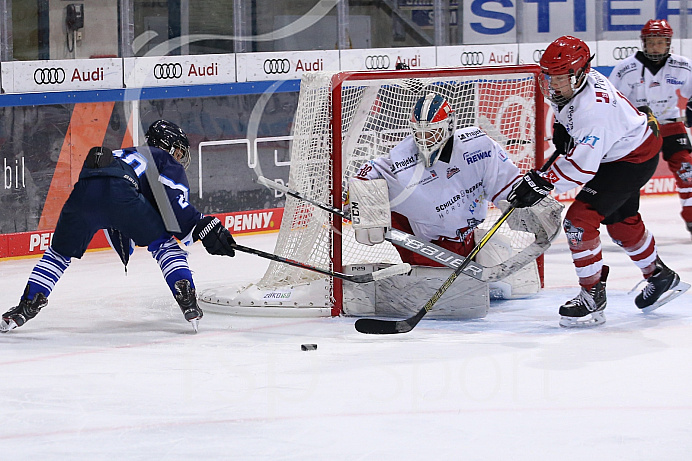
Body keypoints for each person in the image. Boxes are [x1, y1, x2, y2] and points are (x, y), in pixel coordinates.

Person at [512, 35, 689, 327]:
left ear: (580, 73)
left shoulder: (593, 111)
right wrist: (561, 128)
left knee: (579, 221)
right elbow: (572, 121)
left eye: (561, 78)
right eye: (550, 76)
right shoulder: (577, 82)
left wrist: (543, 183)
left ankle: (591, 296)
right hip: (628, 147)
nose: (553, 84)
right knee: (620, 219)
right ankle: (660, 276)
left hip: (631, 158)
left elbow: (581, 169)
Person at [1, 120, 236, 333]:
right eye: (178, 150)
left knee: (58, 255)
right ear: (167, 146)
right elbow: (176, 206)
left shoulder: (122, 154)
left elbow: (111, 195)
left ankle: (27, 305)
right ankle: (185, 293)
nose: (180, 157)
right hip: (121, 194)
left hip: (83, 192)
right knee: (164, 245)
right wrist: (204, 225)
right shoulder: (161, 158)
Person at [349, 92, 561, 280]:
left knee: (508, 287)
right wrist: (360, 204)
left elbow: (508, 188)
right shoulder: (403, 159)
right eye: (419, 132)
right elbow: (366, 174)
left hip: (467, 240)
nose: (424, 139)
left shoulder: (478, 146)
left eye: (431, 132)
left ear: (449, 126)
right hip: (426, 250)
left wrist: (533, 204)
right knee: (449, 292)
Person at [609, 19, 692, 237]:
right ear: (644, 43)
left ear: (668, 43)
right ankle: (625, 220)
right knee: (630, 175)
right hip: (639, 130)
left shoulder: (682, 65)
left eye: (660, 42)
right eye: (651, 42)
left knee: (688, 171)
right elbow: (610, 100)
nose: (655, 47)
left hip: (669, 124)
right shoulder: (626, 69)